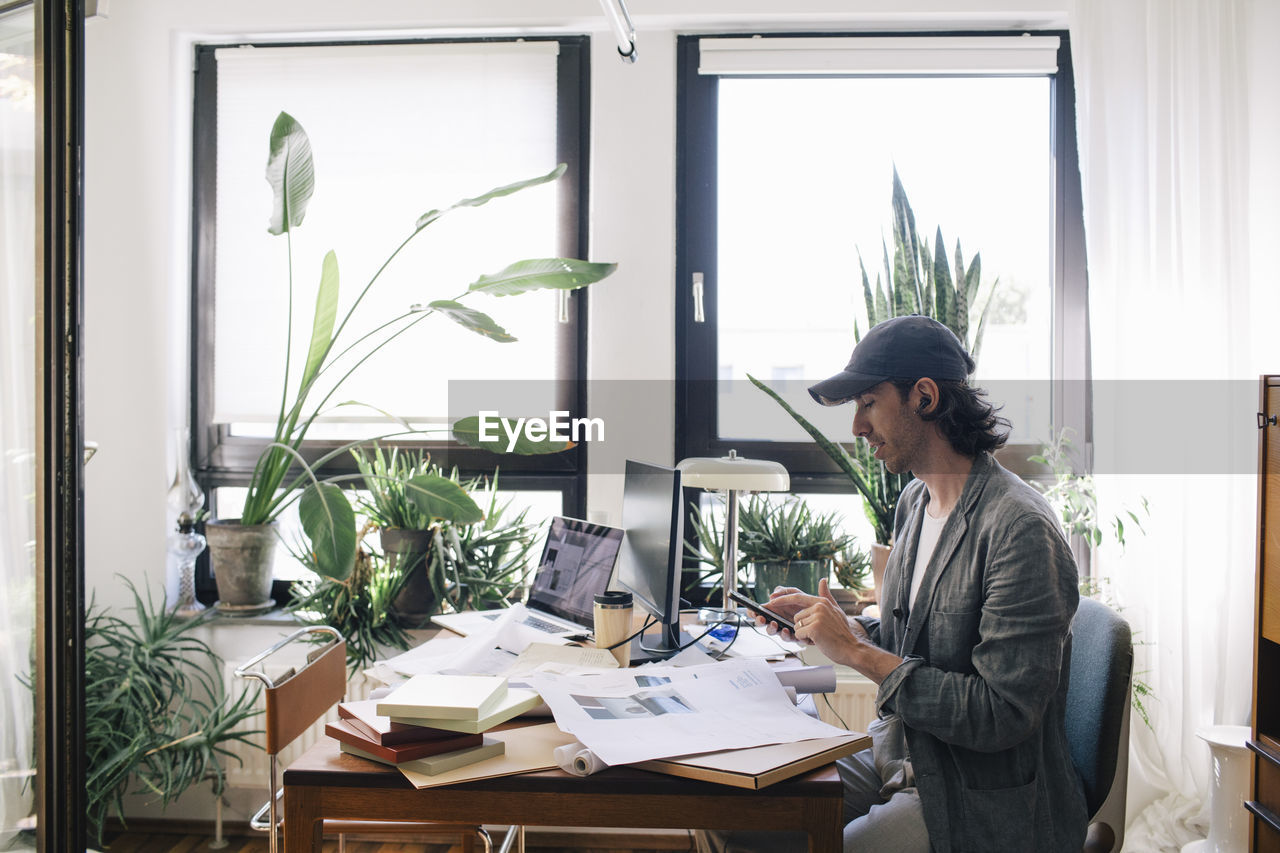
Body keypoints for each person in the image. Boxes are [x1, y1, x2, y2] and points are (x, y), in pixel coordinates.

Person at [702, 315, 1087, 853]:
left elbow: (1000, 715)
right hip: (902, 751)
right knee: (733, 812)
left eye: (868, 404)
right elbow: (912, 643)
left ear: (924, 397)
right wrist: (831, 625)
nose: (857, 428)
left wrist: (855, 651)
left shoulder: (1018, 528)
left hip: (977, 797)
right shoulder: (916, 500)